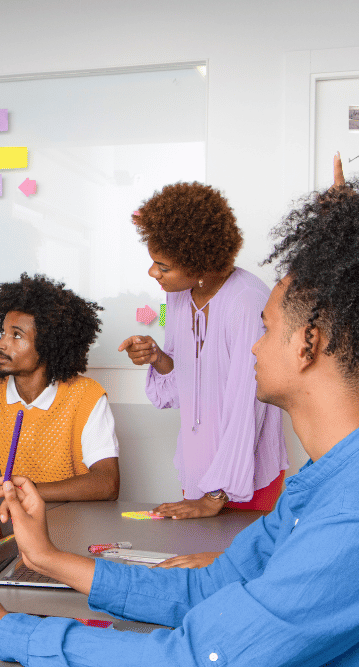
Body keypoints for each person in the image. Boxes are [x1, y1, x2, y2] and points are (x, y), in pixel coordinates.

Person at [0, 177, 359, 667]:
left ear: (309, 343)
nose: (254, 347)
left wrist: (5, 630)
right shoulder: (336, 477)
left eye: (264, 327)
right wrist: (47, 558)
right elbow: (206, 591)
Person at [119, 182, 287, 520]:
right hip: (198, 469)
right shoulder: (178, 295)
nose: (153, 273)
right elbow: (186, 386)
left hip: (244, 475)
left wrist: (215, 495)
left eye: (163, 266)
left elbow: (248, 404)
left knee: (238, 565)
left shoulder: (247, 303)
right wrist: (159, 359)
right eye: (154, 262)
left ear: (199, 265)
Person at [0, 273, 120, 502]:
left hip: (66, 530)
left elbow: (107, 483)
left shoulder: (86, 396)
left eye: (16, 335)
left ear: (49, 344)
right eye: (3, 333)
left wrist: (19, 492)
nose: (1, 344)